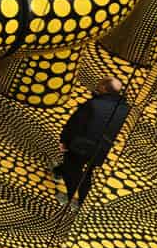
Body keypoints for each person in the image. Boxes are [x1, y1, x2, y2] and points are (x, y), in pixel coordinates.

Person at [54, 77, 130, 211]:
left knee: (73, 170)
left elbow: (75, 124)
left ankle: (72, 199)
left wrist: (64, 141)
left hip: (81, 145)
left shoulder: (94, 104)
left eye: (100, 84)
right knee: (88, 171)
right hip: (103, 149)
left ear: (104, 88)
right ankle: (59, 171)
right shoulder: (126, 110)